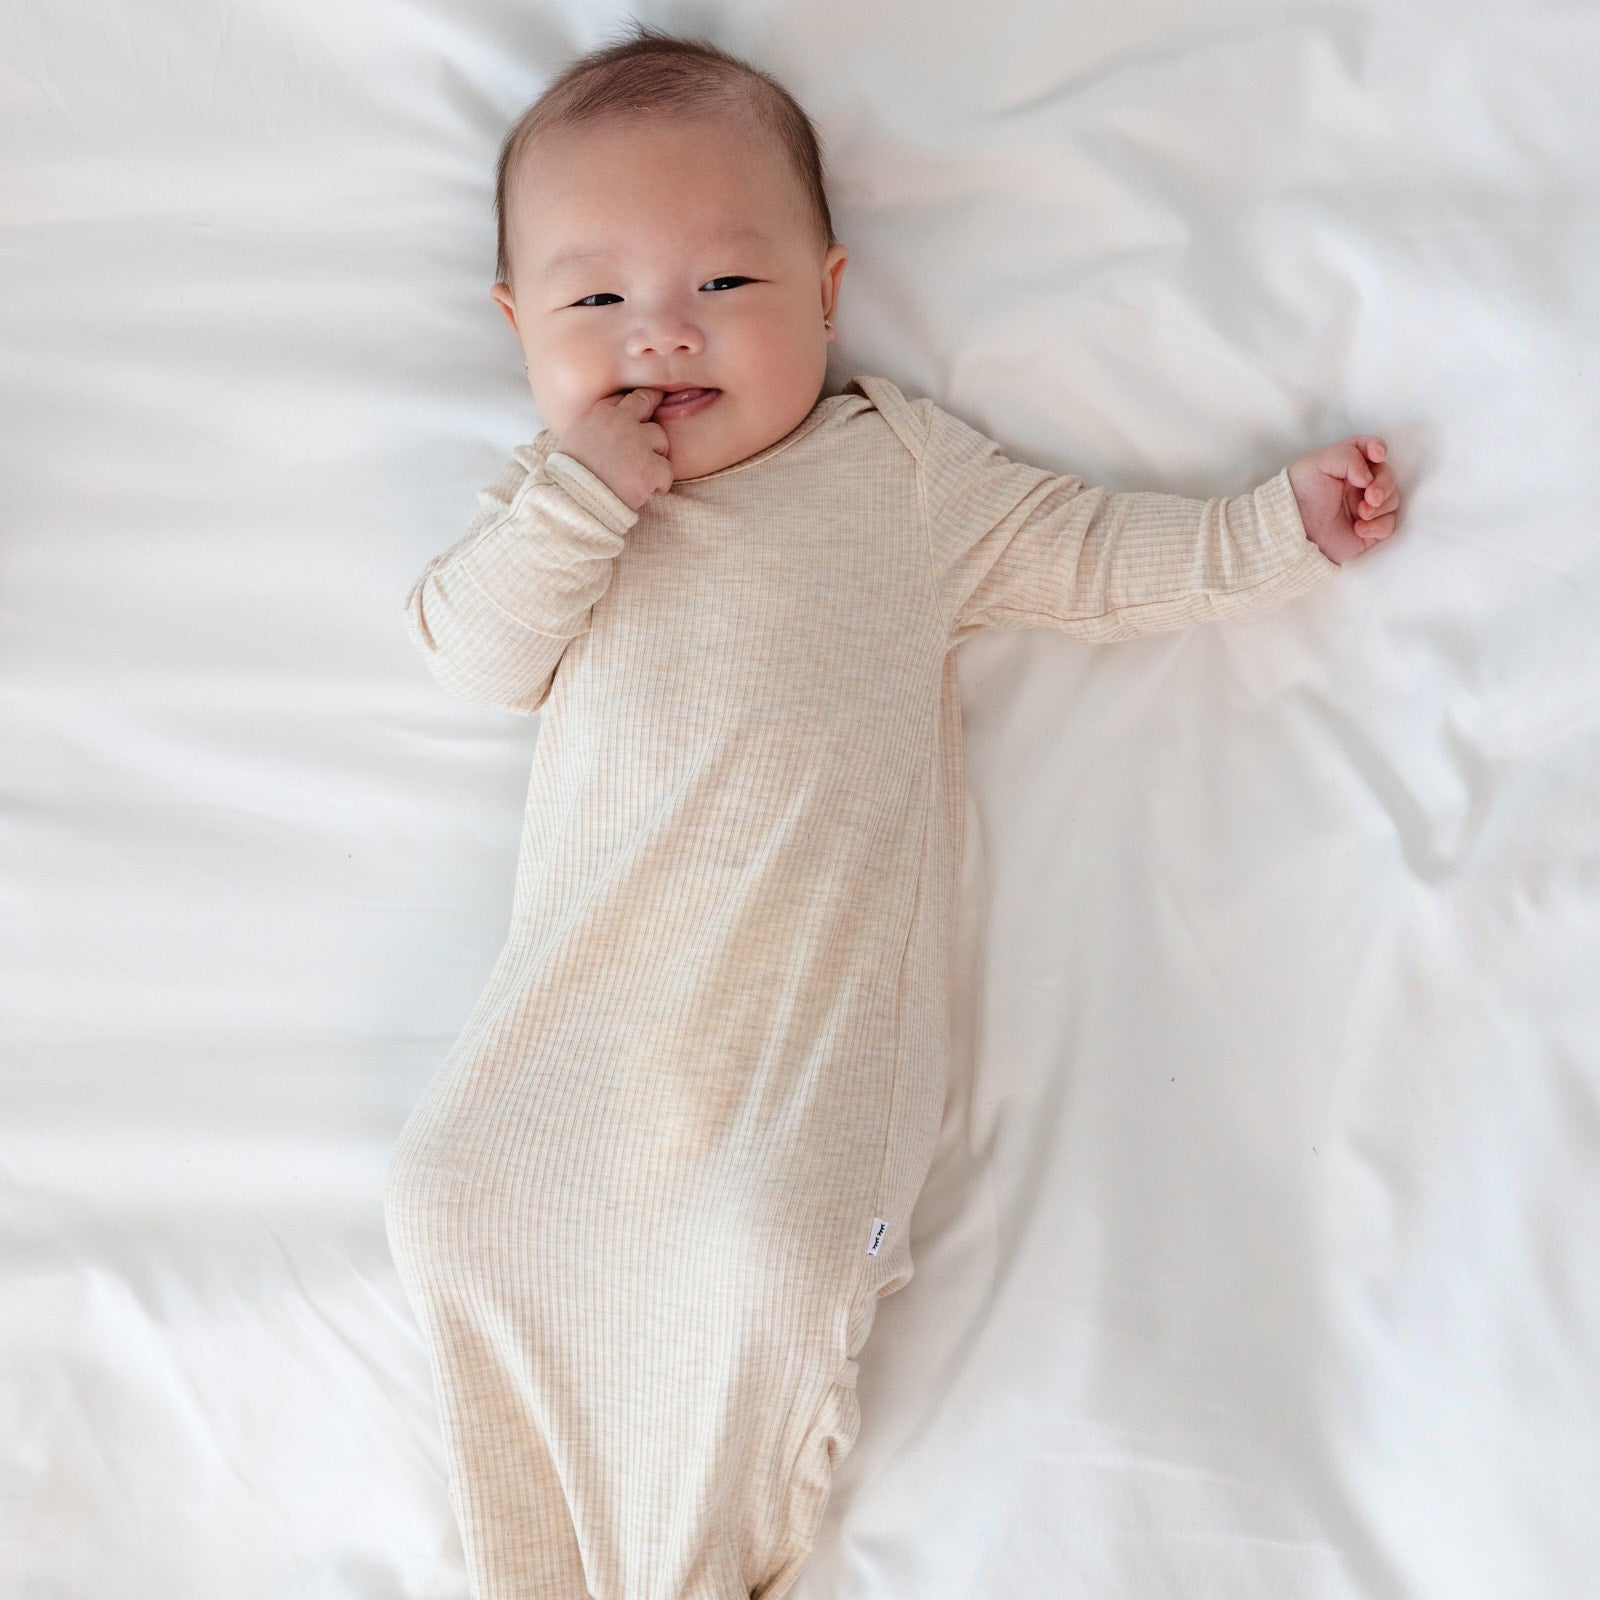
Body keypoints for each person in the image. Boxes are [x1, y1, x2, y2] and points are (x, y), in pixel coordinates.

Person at [383, 20, 1401, 1600]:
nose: (662, 338)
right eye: (597, 301)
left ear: (828, 293)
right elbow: (472, 657)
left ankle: (696, 1568)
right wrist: (576, 496)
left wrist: (1276, 525)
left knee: (763, 1257)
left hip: (798, 1046)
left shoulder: (897, 477)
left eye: (724, 287)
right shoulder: (553, 512)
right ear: (518, 324)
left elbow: (1094, 557)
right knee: (451, 1198)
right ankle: (537, 1565)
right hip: (579, 1022)